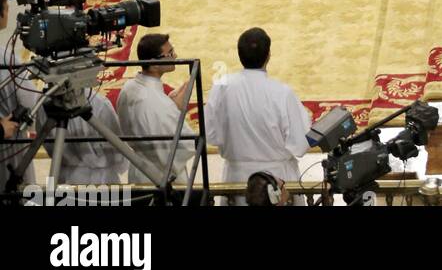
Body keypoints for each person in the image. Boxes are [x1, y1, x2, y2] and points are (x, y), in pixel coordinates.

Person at [205, 27, 312, 197]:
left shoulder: (221, 86)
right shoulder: (282, 93)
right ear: (268, 55)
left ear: (239, 54)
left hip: (237, 180)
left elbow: (210, 135)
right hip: (277, 178)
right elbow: (300, 143)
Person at [116, 32, 197, 188]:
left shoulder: (128, 87)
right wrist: (177, 111)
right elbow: (186, 145)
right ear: (153, 64)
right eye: (170, 54)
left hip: (139, 169)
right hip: (162, 176)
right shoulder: (158, 103)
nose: (175, 56)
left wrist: (171, 106)